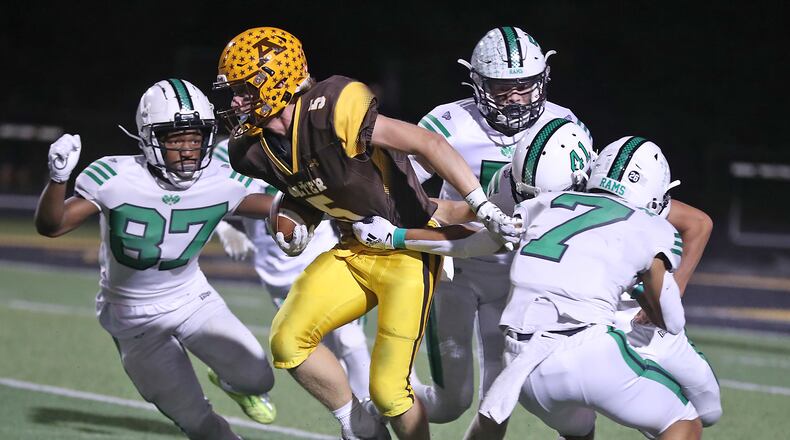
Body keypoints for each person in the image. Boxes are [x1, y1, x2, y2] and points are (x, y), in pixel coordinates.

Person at [213, 27, 520, 440]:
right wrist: (291, 216)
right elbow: (307, 187)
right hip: (352, 251)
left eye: (244, 89)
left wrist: (481, 203)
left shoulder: (334, 106)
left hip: (406, 251)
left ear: (276, 78)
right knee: (288, 342)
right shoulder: (250, 148)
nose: (235, 102)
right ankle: (355, 423)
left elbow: (426, 143)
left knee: (391, 393)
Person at [353, 137, 709, 439]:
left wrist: (395, 236)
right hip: (567, 328)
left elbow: (472, 239)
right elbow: (471, 226)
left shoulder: (565, 197)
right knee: (685, 416)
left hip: (536, 336)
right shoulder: (540, 184)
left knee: (561, 417)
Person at [34, 79, 277, 440]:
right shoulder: (114, 176)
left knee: (259, 377)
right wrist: (58, 178)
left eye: (195, 138)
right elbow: (52, 226)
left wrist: (300, 211)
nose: (188, 150)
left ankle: (231, 383)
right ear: (149, 138)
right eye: (175, 139)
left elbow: (273, 207)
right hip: (132, 316)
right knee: (200, 424)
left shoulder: (222, 176)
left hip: (192, 298)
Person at [405, 27, 593, 435]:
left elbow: (584, 202)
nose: (514, 97)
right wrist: (443, 218)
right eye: (501, 87)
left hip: (519, 279)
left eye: (524, 86)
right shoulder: (448, 121)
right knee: (450, 403)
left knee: (497, 403)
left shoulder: (565, 125)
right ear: (477, 82)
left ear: (541, 80)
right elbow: (401, 195)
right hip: (457, 269)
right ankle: (389, 397)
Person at [212, 139, 373, 400]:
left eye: (245, 95)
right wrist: (224, 226)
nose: (239, 102)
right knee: (322, 355)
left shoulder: (307, 135)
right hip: (275, 271)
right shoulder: (226, 150)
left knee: (349, 339)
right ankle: (362, 417)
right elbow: (205, 194)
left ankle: (371, 418)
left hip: (323, 257)